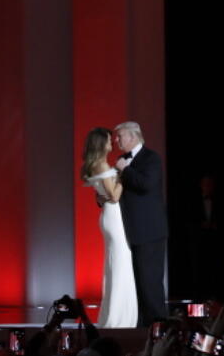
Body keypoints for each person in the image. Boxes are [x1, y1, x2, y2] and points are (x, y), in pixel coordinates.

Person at [80, 127, 138, 328]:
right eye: (107, 141)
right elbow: (114, 195)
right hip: (113, 217)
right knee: (120, 265)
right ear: (99, 144)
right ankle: (119, 319)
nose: (111, 144)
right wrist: (122, 173)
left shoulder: (96, 164)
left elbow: (103, 194)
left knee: (117, 265)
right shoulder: (101, 164)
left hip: (110, 215)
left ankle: (118, 316)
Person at [112, 120, 169, 326]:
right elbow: (116, 191)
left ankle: (160, 327)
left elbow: (146, 185)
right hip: (131, 232)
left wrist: (125, 170)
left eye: (120, 136)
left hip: (149, 231)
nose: (116, 140)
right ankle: (144, 328)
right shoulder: (121, 160)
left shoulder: (151, 158)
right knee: (137, 283)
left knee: (150, 282)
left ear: (133, 136)